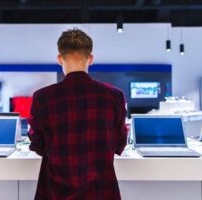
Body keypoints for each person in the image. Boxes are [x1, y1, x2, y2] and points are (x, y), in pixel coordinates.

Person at [28, 28, 127, 200]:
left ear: (60, 58)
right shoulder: (114, 96)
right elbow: (119, 143)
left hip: (56, 193)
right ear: (91, 58)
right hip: (101, 192)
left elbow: (38, 144)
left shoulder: (43, 97)